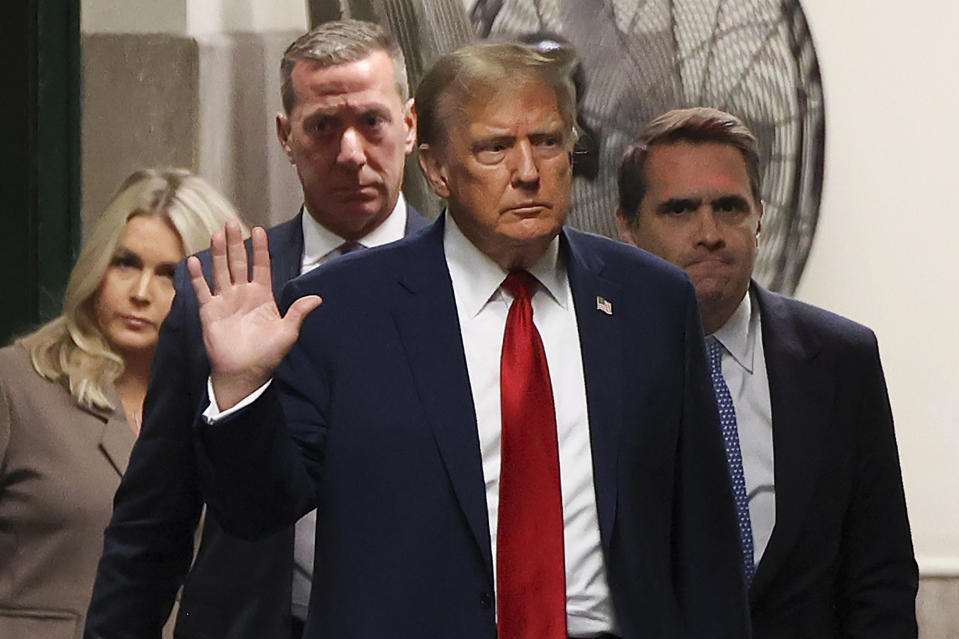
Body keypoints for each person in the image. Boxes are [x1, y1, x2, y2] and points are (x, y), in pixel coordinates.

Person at [189, 42, 749, 639]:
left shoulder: (650, 300)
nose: (528, 171)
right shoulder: (344, 308)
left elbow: (705, 540)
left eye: (549, 141)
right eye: (496, 148)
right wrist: (241, 391)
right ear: (435, 170)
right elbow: (258, 510)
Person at [85, 20, 428, 639]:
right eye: (324, 126)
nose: (351, 152)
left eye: (371, 122)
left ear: (409, 124)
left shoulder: (464, 285)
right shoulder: (219, 296)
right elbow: (152, 523)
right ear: (285, 136)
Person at [616, 106, 918, 638]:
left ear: (759, 216)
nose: (709, 232)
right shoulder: (590, 367)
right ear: (629, 227)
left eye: (729, 207)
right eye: (680, 210)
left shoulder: (842, 358)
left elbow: (881, 577)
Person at [0, 168, 243, 639]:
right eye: (125, 262)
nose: (139, 292)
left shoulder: (228, 405)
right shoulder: (16, 384)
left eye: (168, 274)